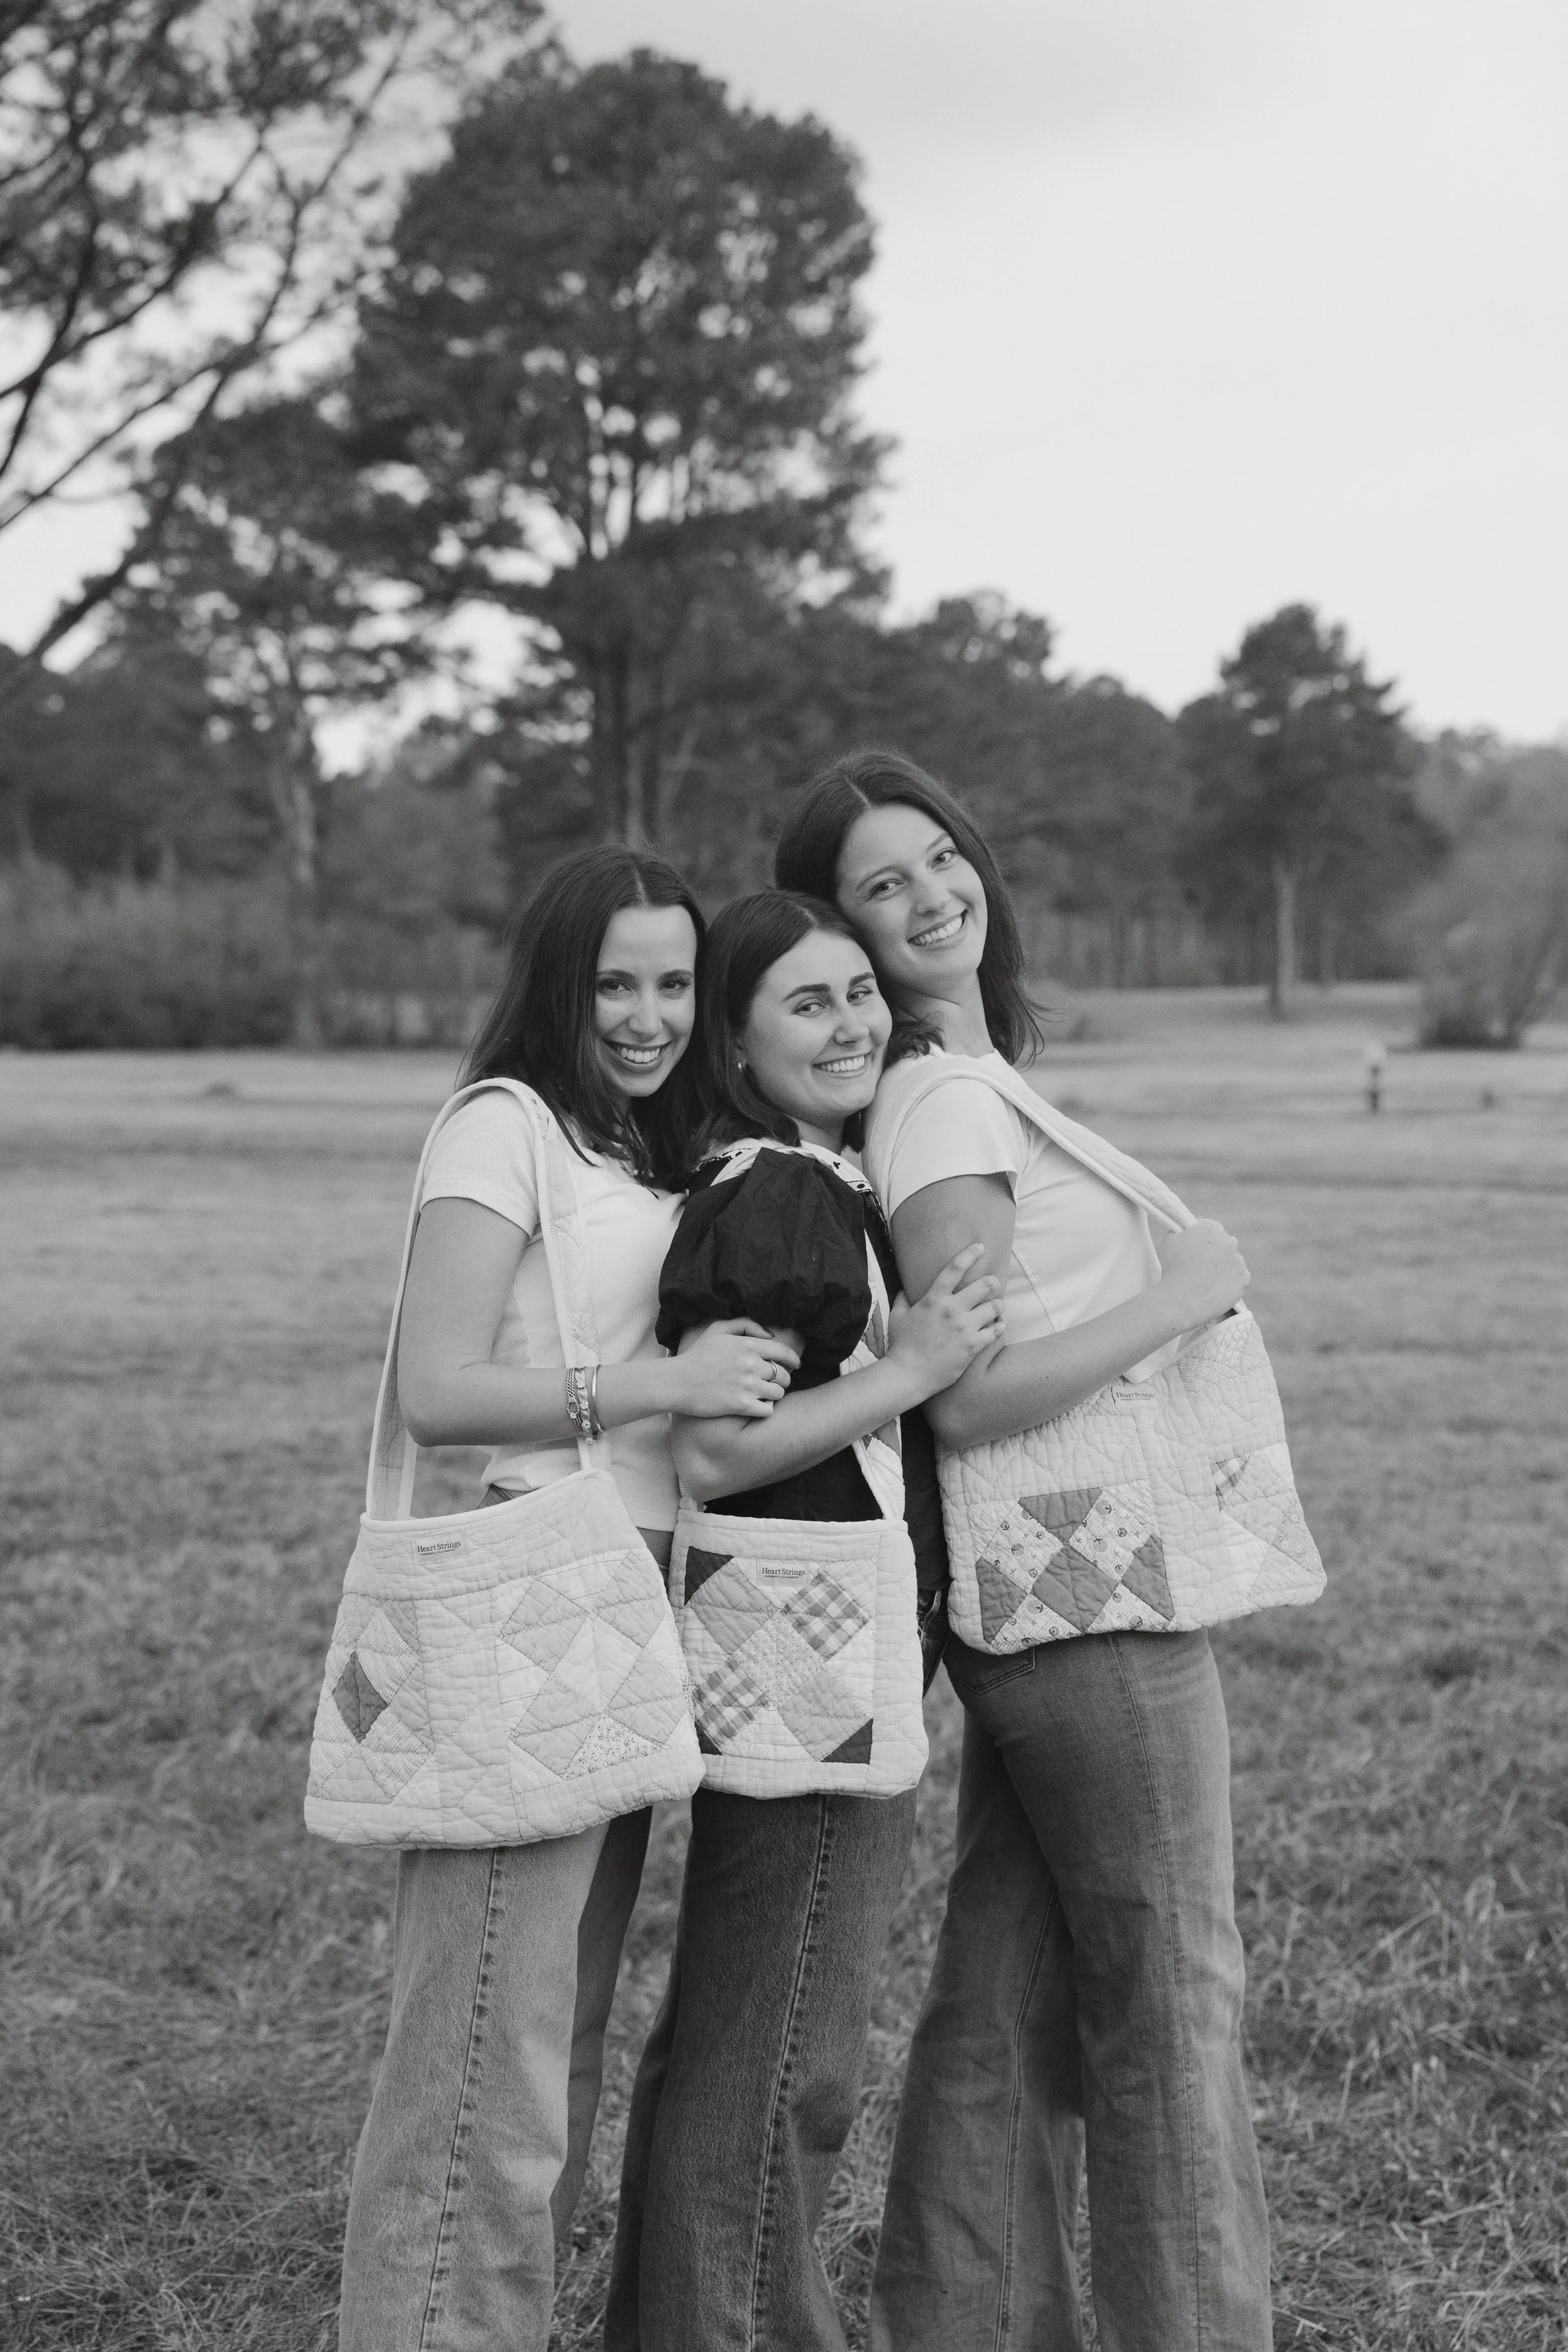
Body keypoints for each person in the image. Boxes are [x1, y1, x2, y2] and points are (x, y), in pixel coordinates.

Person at [776, 754, 1273, 2352]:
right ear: (837, 926)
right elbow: (968, 1392)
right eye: (880, 886)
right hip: (1090, 1604)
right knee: (1172, 2002)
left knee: (1006, 1995)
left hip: (1062, 1602)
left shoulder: (962, 1081)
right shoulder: (935, 1101)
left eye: (939, 859)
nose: (932, 898)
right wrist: (1178, 1294)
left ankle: (965, 2324)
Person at [337, 845, 802, 2352]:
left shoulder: (642, 1150)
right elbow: (436, 1385)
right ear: (558, 981)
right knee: (481, 2058)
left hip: (624, 1620)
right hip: (526, 1609)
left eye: (674, 981)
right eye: (614, 980)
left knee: (556, 2047)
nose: (647, 1013)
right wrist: (654, 1381)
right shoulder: (503, 1128)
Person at [604, 889, 1003, 2352]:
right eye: (807, 1004)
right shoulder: (777, 1195)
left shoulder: (803, 1177)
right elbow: (715, 1449)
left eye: (858, 994)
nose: (850, 1024)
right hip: (805, 1650)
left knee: (742, 2013)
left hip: (810, 1643)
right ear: (738, 1037)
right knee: (789, 2050)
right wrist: (914, 1370)